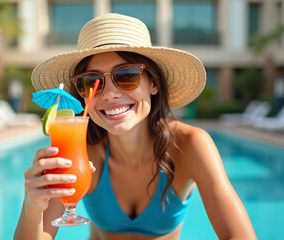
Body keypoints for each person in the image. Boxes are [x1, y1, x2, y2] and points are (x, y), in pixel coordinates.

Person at [15, 13, 256, 240]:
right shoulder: (84, 150)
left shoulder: (190, 145)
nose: (109, 94)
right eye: (92, 82)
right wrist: (32, 207)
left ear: (153, 83)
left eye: (127, 75)